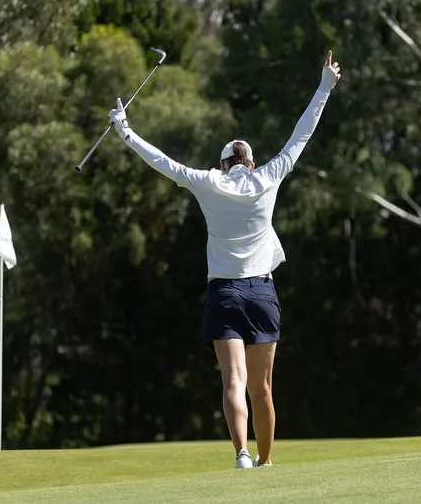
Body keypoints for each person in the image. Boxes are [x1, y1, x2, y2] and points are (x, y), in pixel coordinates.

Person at [107, 51, 341, 469]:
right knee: (262, 388)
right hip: (262, 292)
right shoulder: (267, 177)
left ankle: (243, 455)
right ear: (249, 162)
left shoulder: (207, 182)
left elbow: (161, 160)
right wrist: (324, 84)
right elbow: (301, 135)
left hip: (224, 294)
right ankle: (267, 463)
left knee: (232, 379)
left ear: (222, 164)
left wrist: (124, 130)